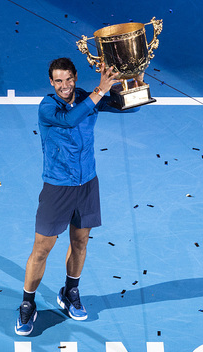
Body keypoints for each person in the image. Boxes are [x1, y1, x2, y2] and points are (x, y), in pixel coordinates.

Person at [15, 57, 142, 336]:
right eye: (58, 81)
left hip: (87, 184)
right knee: (41, 250)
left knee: (80, 242)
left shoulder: (86, 97)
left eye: (68, 79)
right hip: (57, 187)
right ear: (51, 82)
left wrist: (136, 84)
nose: (64, 86)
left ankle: (70, 290)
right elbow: (71, 121)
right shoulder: (48, 106)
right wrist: (99, 91)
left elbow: (124, 107)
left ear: (75, 78)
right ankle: (28, 302)